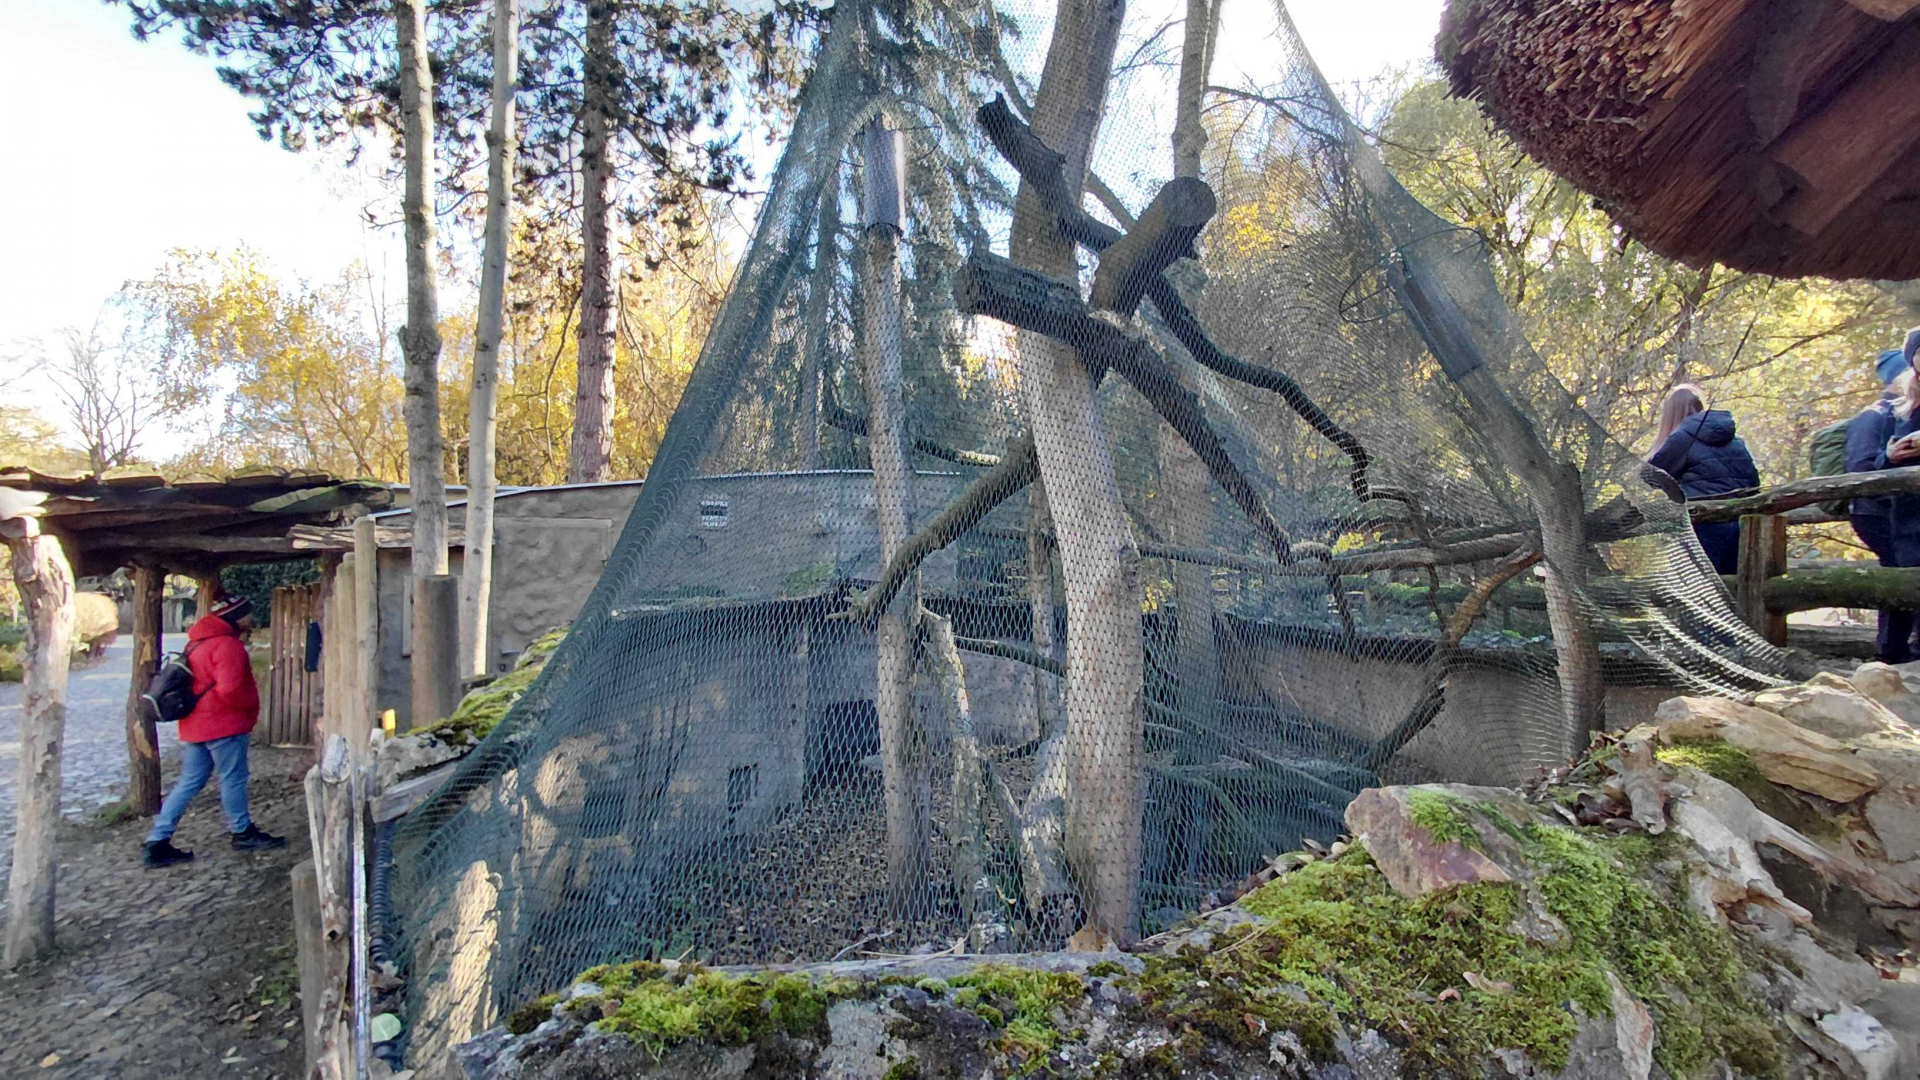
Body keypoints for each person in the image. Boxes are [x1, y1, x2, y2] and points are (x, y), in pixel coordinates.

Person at [142, 593, 287, 868]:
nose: (251, 617)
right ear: (234, 616)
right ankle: (242, 832)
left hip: (196, 725)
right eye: (246, 612)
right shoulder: (227, 645)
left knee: (188, 783)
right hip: (224, 724)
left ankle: (157, 841)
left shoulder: (196, 642)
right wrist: (249, 709)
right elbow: (230, 689)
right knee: (233, 778)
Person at [1646, 384, 1761, 574]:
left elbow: (1650, 477)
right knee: (1732, 591)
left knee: (1699, 592)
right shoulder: (1736, 441)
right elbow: (1753, 484)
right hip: (1739, 528)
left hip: (1701, 529)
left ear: (1671, 414)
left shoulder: (1682, 439)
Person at [1846, 349, 1914, 662]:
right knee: (1898, 577)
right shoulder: (1875, 415)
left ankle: (1892, 650)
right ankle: (1891, 651)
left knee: (1899, 575)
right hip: (1877, 512)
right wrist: (1890, 459)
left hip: (1895, 511)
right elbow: (1860, 470)